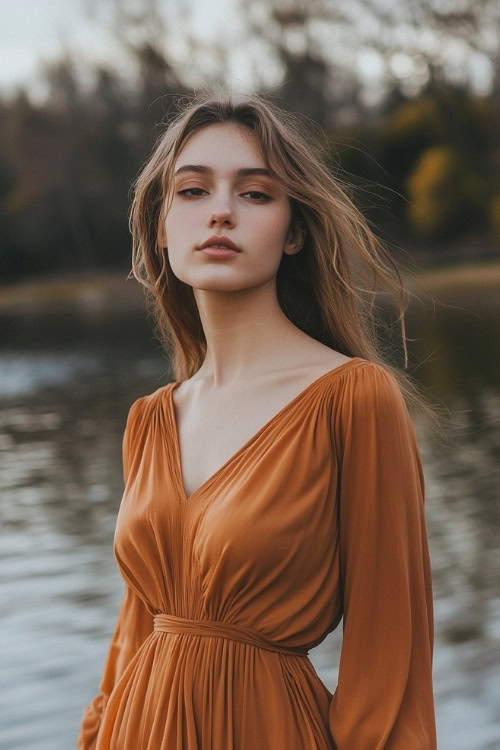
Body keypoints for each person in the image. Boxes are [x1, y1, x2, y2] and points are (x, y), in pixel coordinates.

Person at [77, 90, 437, 749]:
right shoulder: (150, 420)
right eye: (191, 191)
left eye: (255, 194)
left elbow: (391, 666)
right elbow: (132, 637)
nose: (220, 211)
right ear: (160, 225)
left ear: (294, 230)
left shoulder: (354, 399)